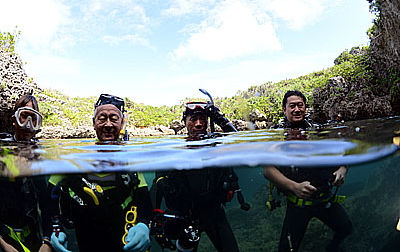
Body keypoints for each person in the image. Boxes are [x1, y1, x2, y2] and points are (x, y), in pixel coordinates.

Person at [49, 94, 153, 252]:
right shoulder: (72, 159)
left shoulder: (131, 161)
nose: (108, 124)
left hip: (123, 241)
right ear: (93, 123)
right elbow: (48, 200)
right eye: (102, 118)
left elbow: (146, 205)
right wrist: (55, 230)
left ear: (121, 123)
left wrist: (145, 225)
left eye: (114, 118)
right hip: (84, 240)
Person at [151, 100, 248, 252]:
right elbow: (157, 184)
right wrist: (152, 217)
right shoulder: (173, 152)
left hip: (214, 214)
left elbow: (244, 147)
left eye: (202, 119)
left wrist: (221, 120)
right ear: (185, 122)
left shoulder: (217, 145)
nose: (198, 124)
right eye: (193, 119)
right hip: (185, 218)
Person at [264, 90, 352, 252]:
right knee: (287, 250)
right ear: (284, 110)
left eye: (300, 105)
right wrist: (294, 187)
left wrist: (342, 169)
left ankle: (332, 248)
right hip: (298, 205)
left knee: (346, 229)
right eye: (292, 106)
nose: (297, 109)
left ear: (305, 108)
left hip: (324, 199)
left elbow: (344, 150)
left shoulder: (317, 129)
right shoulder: (277, 135)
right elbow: (268, 171)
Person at [0, 95, 56, 252]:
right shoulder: (3, 148)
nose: (28, 125)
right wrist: (3, 244)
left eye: (33, 118)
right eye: (24, 116)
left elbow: (47, 204)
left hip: (33, 235)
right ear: (14, 119)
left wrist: (47, 241)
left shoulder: (41, 155)